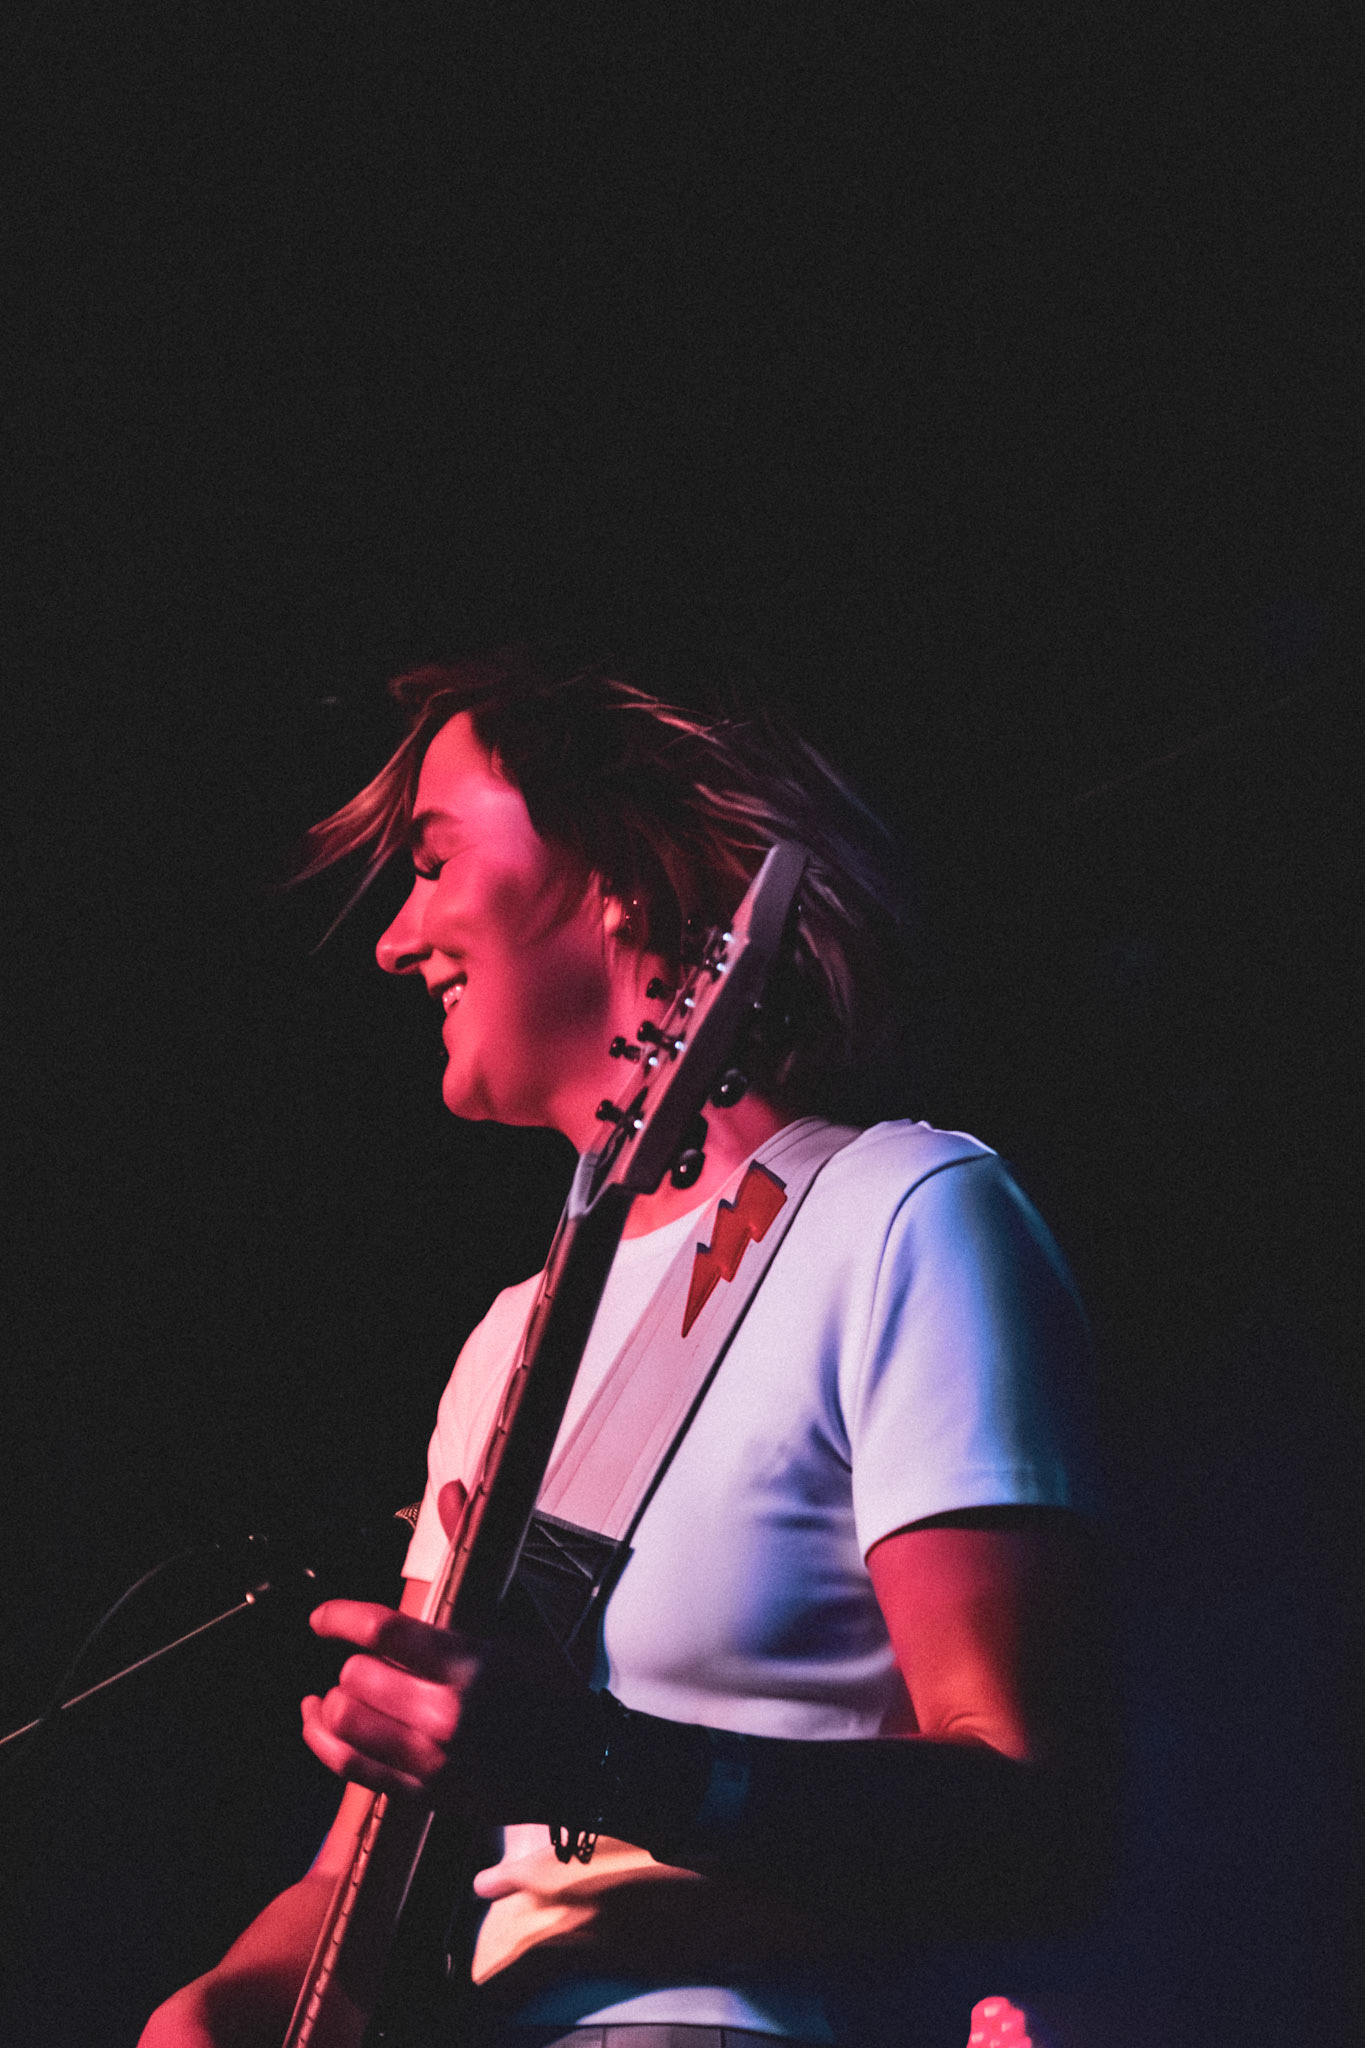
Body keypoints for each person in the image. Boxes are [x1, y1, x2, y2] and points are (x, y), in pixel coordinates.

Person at [140, 651, 1116, 2048]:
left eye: (433, 861)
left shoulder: (899, 1215)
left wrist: (606, 1764)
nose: (393, 939)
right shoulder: (506, 1346)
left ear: (614, 876)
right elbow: (358, 1875)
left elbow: (1042, 1823)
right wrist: (213, 2013)